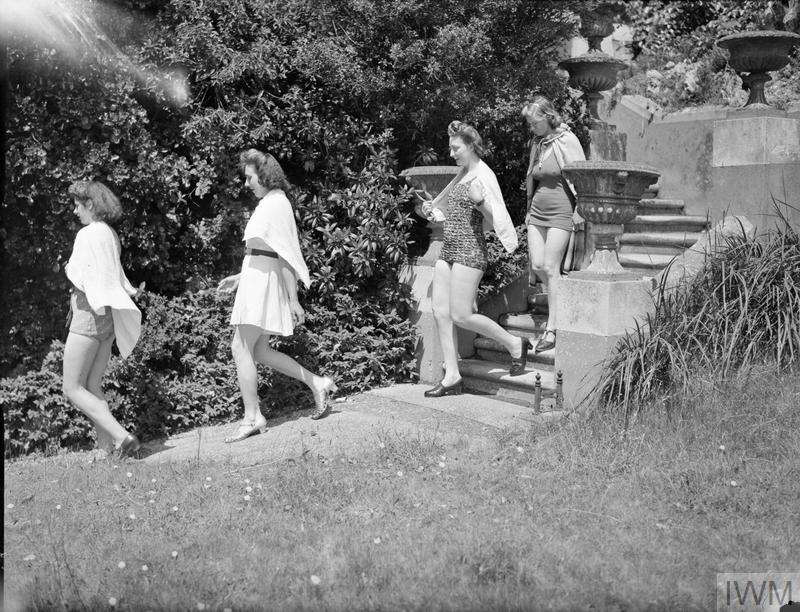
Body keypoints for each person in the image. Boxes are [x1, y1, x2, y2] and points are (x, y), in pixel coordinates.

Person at [218, 149, 337, 443]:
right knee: (257, 351)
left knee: (240, 347)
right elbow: (263, 252)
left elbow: (285, 256)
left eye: (249, 178)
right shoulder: (270, 203)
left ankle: (253, 417)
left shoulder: (276, 204)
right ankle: (318, 383)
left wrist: (293, 299)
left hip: (263, 283)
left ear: (265, 175)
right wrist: (240, 277)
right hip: (255, 280)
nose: (246, 184)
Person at [419, 121, 526, 398]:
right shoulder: (462, 174)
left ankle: (514, 343)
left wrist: (481, 203)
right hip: (449, 249)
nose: (452, 153)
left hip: (470, 250)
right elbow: (448, 211)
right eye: (451, 148)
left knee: (461, 314)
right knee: (440, 311)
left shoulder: (483, 175)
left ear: (470, 145)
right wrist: (431, 210)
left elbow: (495, 221)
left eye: (456, 148)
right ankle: (452, 376)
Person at [63, 180, 142, 458]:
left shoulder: (87, 234)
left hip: (88, 314)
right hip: (108, 316)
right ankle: (103, 449)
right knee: (93, 385)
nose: (75, 211)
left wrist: (68, 269)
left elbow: (81, 277)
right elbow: (109, 275)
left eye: (77, 205)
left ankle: (121, 437)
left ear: (91, 205)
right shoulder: (109, 234)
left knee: (71, 387)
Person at [522, 96, 586, 353]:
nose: (531, 127)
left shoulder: (567, 140)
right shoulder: (537, 143)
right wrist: (528, 211)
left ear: (548, 116)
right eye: (529, 123)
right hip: (537, 212)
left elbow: (582, 173)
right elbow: (532, 178)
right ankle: (560, 307)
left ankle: (552, 328)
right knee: (538, 265)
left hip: (561, 210)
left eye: (534, 121)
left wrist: (580, 208)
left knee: (551, 267)